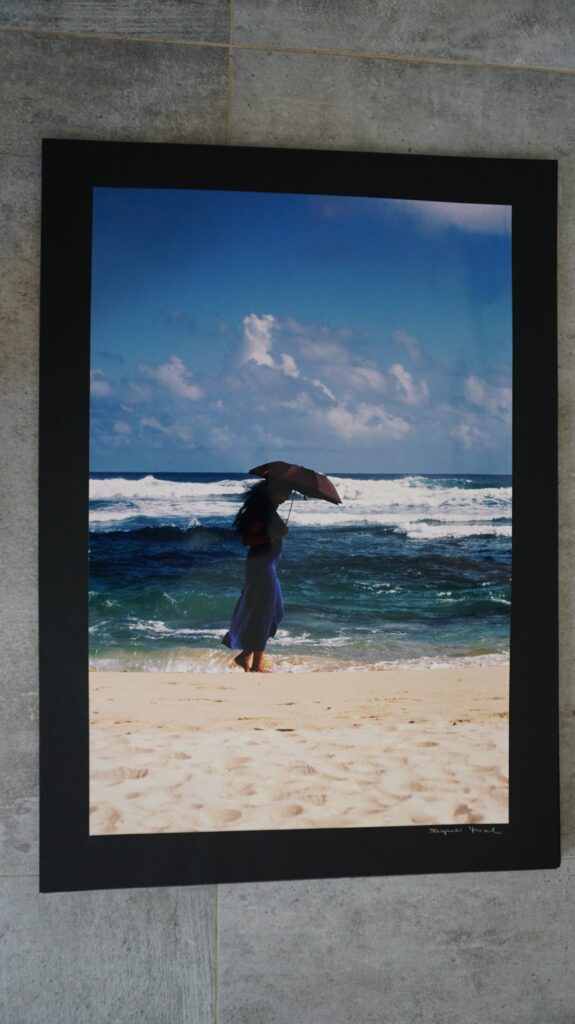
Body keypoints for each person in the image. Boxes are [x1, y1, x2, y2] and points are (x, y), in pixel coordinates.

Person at [222, 478, 291, 672]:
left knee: (276, 612)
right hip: (261, 567)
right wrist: (275, 535)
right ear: (275, 491)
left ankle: (245, 656)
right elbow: (248, 539)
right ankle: (256, 666)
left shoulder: (269, 510)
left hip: (269, 566)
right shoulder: (262, 511)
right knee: (264, 613)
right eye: (286, 492)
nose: (287, 497)